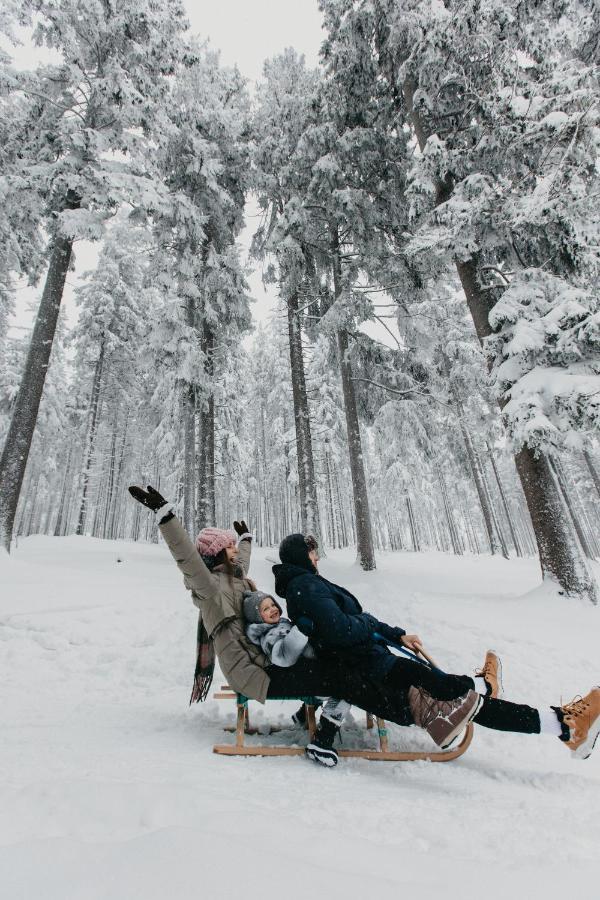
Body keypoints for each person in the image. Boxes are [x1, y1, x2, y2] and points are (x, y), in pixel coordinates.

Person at [127, 487, 600, 771]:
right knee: (349, 675)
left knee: (362, 676)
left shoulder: (234, 579)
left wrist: (246, 537)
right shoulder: (210, 589)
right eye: (229, 548)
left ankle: (516, 713)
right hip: (259, 675)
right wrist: (167, 517)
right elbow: (188, 561)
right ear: (217, 556)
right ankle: (459, 701)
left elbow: (239, 562)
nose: (236, 553)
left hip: (274, 663)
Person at [273, 532, 600, 767]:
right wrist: (372, 625)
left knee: (460, 697)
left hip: (378, 667)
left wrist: (396, 635)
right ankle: (562, 724)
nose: (316, 556)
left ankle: (559, 723)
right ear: (300, 556)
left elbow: (352, 622)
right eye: (311, 551)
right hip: (374, 676)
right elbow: (341, 630)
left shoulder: (308, 584)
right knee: (462, 699)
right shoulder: (304, 586)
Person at [243, 589, 350, 765]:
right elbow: (283, 656)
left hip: (307, 665)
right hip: (299, 671)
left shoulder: (280, 623)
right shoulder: (268, 635)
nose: (272, 609)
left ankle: (303, 715)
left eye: (272, 605)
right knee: (343, 682)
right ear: (257, 617)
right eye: (265, 609)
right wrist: (301, 631)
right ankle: (325, 733)